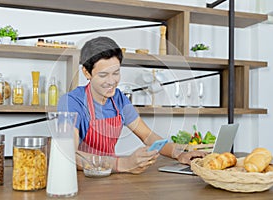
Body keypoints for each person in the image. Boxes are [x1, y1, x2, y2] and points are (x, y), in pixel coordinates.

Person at [58, 36, 207, 174]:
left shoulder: (119, 99)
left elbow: (148, 136)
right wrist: (123, 164)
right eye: (103, 75)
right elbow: (70, 155)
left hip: (112, 177)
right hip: (82, 179)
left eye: (116, 73)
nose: (111, 81)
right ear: (87, 72)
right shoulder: (71, 102)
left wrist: (179, 154)